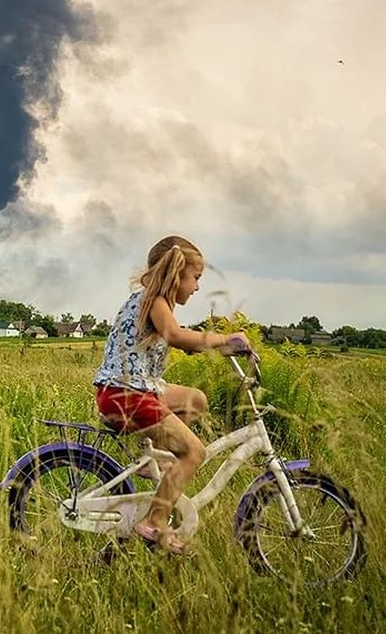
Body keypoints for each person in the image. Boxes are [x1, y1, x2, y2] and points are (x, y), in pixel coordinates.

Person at [92, 235, 251, 556]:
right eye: (195, 278)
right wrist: (224, 339)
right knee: (195, 452)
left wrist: (203, 347)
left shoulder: (149, 300)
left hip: (132, 389)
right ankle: (155, 522)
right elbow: (175, 335)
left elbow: (166, 338)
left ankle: (150, 459)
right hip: (128, 396)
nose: (196, 287)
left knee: (196, 400)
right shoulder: (154, 300)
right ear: (176, 273)